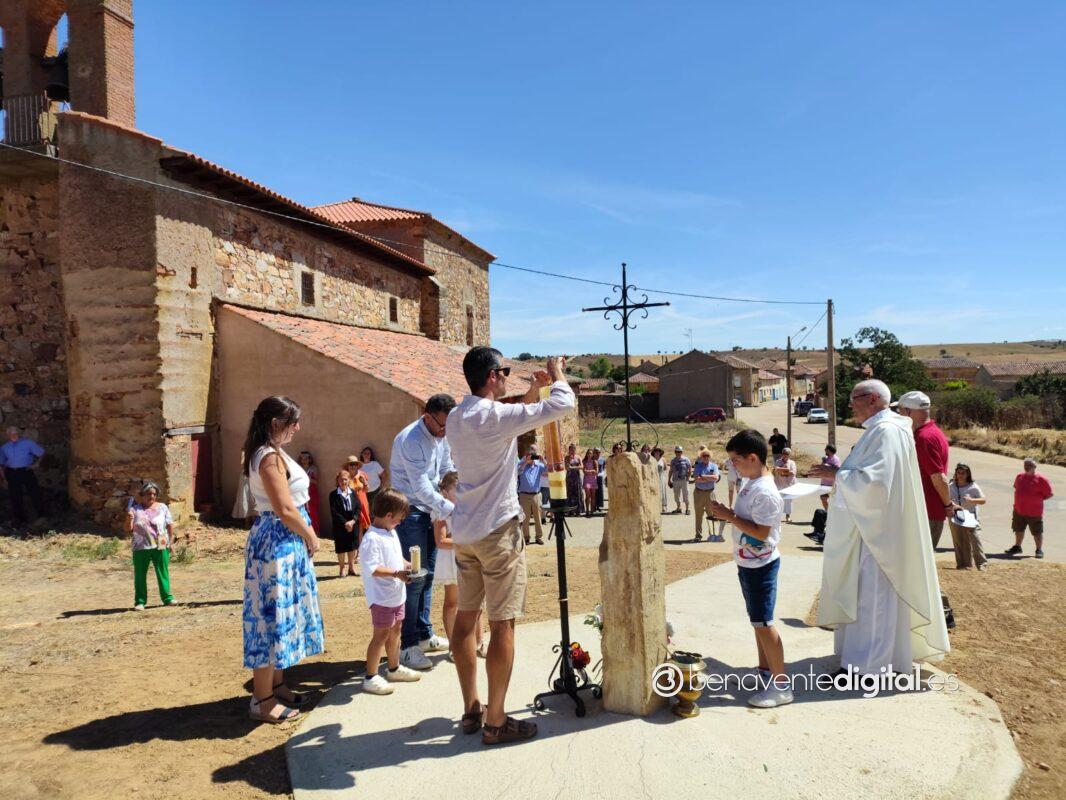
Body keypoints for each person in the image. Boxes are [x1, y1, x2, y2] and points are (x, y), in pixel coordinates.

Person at [448, 348, 574, 746]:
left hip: (465, 532)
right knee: (503, 623)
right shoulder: (495, 418)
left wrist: (531, 392)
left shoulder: (456, 417)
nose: (506, 376)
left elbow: (510, 417)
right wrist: (556, 375)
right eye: (503, 371)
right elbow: (564, 404)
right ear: (491, 376)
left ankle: (472, 707)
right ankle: (497, 721)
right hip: (498, 532)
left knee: (466, 620)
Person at [810, 379, 949, 677]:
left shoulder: (886, 431)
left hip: (878, 536)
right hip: (875, 529)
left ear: (873, 398)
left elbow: (876, 484)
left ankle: (867, 667)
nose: (850, 405)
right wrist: (840, 478)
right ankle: (876, 660)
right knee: (871, 599)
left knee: (873, 600)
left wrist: (837, 475)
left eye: (854, 398)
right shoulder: (885, 429)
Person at [242, 396, 324, 724]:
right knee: (270, 619)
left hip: (284, 540)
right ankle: (262, 700)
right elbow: (285, 508)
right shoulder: (268, 457)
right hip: (277, 540)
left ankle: (276, 687)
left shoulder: (272, 452)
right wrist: (311, 535)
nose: (298, 428)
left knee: (283, 614)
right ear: (276, 423)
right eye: (293, 422)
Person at [710, 429, 791, 708]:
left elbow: (761, 532)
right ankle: (766, 672)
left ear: (753, 458)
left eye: (736, 460)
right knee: (758, 622)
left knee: (765, 624)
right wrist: (729, 514)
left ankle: (781, 686)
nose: (732, 465)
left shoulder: (765, 491)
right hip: (749, 562)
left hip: (761, 565)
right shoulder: (751, 481)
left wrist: (729, 516)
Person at [389, 394, 457, 670]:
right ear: (427, 416)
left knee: (428, 577)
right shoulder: (410, 440)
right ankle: (407, 646)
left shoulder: (441, 436)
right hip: (412, 513)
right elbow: (420, 487)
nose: (445, 432)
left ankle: (424, 633)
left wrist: (456, 489)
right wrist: (452, 509)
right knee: (415, 578)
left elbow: (446, 470)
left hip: (432, 510)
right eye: (442, 425)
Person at [358, 488, 423, 695]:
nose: (400, 522)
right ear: (388, 515)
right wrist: (396, 573)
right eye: (399, 519)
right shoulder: (372, 538)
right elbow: (372, 568)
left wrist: (406, 565)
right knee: (381, 635)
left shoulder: (390, 531)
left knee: (396, 630)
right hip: (382, 598)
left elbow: (396, 556)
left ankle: (393, 668)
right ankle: (370, 677)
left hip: (396, 595)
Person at [895, 391, 951, 550]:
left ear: (909, 412)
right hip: (927, 511)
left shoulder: (923, 438)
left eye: (900, 410)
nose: (898, 414)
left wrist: (948, 505)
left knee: (916, 562)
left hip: (925, 512)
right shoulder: (933, 432)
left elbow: (939, 477)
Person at [125, 481, 175, 610]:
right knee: (140, 575)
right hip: (141, 546)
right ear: (142, 495)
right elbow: (127, 529)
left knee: (163, 572)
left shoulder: (163, 507)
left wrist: (171, 542)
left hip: (161, 544)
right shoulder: (135, 509)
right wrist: (129, 518)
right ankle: (140, 601)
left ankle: (167, 598)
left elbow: (170, 525)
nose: (151, 496)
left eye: (154, 494)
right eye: (148, 494)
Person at [432, 471, 464, 661]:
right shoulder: (442, 511)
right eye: (456, 489)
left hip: (468, 557)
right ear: (445, 492)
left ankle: (476, 641)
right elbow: (441, 541)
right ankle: (454, 645)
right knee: (452, 602)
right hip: (451, 559)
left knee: (474, 602)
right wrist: (466, 540)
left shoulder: (467, 507)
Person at [1006, 457, 1054, 559]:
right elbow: (1017, 488)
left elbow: (1049, 494)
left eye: (1029, 465)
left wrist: (1037, 500)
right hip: (1019, 510)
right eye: (1025, 465)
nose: (1027, 467)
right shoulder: (1019, 476)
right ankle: (1017, 547)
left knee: (1037, 532)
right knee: (1018, 529)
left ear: (1035, 466)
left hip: (1034, 512)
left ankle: (1039, 550)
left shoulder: (1042, 479)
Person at [0, 426, 46, 527]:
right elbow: (1, 463)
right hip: (12, 473)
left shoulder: (27, 443)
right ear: (7, 435)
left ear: (19, 434)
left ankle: (42, 515)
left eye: (15, 433)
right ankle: (20, 518)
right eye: (11, 433)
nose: (13, 435)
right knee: (15, 495)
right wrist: (4, 478)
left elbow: (41, 452)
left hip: (26, 471)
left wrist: (37, 464)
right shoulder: (4, 448)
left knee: (34, 492)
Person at [947, 464, 987, 570]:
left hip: (970, 516)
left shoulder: (973, 486)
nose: (960, 475)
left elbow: (983, 500)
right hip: (956, 515)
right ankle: (964, 564)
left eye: (963, 473)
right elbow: (946, 498)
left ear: (967, 474)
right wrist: (953, 504)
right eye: (958, 473)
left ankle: (982, 564)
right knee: (959, 540)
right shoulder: (951, 486)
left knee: (975, 539)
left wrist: (972, 500)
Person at [330, 470, 360, 578]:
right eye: (341, 480)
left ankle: (351, 568)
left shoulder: (353, 493)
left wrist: (353, 521)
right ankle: (342, 569)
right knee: (341, 547)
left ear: (349, 480)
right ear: (337, 481)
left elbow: (358, 508)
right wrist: (346, 523)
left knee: (352, 546)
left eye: (345, 479)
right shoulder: (333, 495)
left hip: (353, 523)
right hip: (340, 525)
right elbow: (334, 512)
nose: (343, 482)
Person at [517, 446, 547, 545]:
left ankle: (539, 537)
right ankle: (526, 538)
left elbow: (549, 471)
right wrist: (526, 462)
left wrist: (543, 460)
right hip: (524, 495)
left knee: (538, 518)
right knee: (525, 518)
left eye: (534, 455)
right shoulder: (522, 464)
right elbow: (517, 472)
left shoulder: (539, 465)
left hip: (536, 495)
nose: (532, 457)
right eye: (530, 454)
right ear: (527, 455)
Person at [691, 448, 720, 542]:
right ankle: (698, 535)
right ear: (701, 457)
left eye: (707, 455)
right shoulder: (697, 466)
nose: (706, 457)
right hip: (699, 493)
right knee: (698, 515)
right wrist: (709, 478)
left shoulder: (714, 466)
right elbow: (697, 479)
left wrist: (703, 476)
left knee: (711, 514)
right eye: (704, 455)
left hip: (710, 493)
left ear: (710, 457)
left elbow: (716, 477)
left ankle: (713, 535)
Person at [297, 451, 320, 534]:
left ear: (309, 459)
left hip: (311, 493)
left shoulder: (313, 469)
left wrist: (308, 479)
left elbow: (316, 481)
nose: (304, 460)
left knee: (314, 514)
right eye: (302, 458)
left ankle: (316, 533)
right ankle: (305, 532)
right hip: (301, 493)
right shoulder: (298, 468)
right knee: (302, 513)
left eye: (306, 458)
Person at [772, 448, 798, 523]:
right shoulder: (778, 461)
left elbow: (793, 472)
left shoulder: (792, 462)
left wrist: (782, 471)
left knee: (788, 500)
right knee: (778, 500)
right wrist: (784, 470)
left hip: (789, 484)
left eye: (787, 454)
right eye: (784, 453)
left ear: (789, 455)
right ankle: (777, 516)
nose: (785, 455)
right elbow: (775, 470)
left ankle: (788, 516)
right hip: (779, 483)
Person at [668, 446, 692, 515]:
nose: (678, 453)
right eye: (677, 451)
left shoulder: (686, 459)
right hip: (675, 480)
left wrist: (688, 477)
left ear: (682, 452)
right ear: (675, 452)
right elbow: (671, 470)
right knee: (676, 495)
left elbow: (690, 468)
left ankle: (687, 509)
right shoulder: (673, 461)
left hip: (684, 480)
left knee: (686, 494)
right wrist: (669, 480)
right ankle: (679, 508)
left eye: (680, 452)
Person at [818, 445, 840, 511]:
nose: (824, 450)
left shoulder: (835, 459)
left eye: (826, 449)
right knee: (823, 498)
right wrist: (823, 462)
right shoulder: (826, 458)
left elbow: (836, 468)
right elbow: (822, 468)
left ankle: (832, 513)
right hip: (824, 482)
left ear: (829, 450)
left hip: (831, 483)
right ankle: (828, 512)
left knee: (832, 499)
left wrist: (826, 464)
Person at [565, 444, 583, 515]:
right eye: (571, 450)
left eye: (573, 449)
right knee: (570, 493)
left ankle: (578, 511)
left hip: (577, 477)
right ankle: (570, 511)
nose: (572, 451)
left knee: (578, 493)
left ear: (575, 450)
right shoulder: (567, 457)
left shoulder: (578, 457)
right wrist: (570, 460)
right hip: (569, 477)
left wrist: (573, 467)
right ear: (569, 450)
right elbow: (566, 467)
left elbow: (582, 467)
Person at [581, 448, 598, 517]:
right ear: (587, 454)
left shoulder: (595, 461)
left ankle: (592, 510)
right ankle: (587, 510)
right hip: (587, 480)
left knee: (593, 496)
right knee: (587, 496)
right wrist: (592, 471)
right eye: (588, 453)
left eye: (590, 453)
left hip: (593, 480)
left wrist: (589, 471)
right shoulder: (584, 461)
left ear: (592, 454)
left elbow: (596, 472)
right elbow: (584, 471)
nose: (589, 455)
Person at [651, 446, 668, 513]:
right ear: (654, 452)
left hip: (661, 477)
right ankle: (655, 506)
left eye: (658, 451)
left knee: (662, 491)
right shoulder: (651, 459)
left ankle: (663, 506)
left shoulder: (663, 459)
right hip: (653, 477)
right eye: (656, 451)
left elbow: (665, 468)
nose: (657, 452)